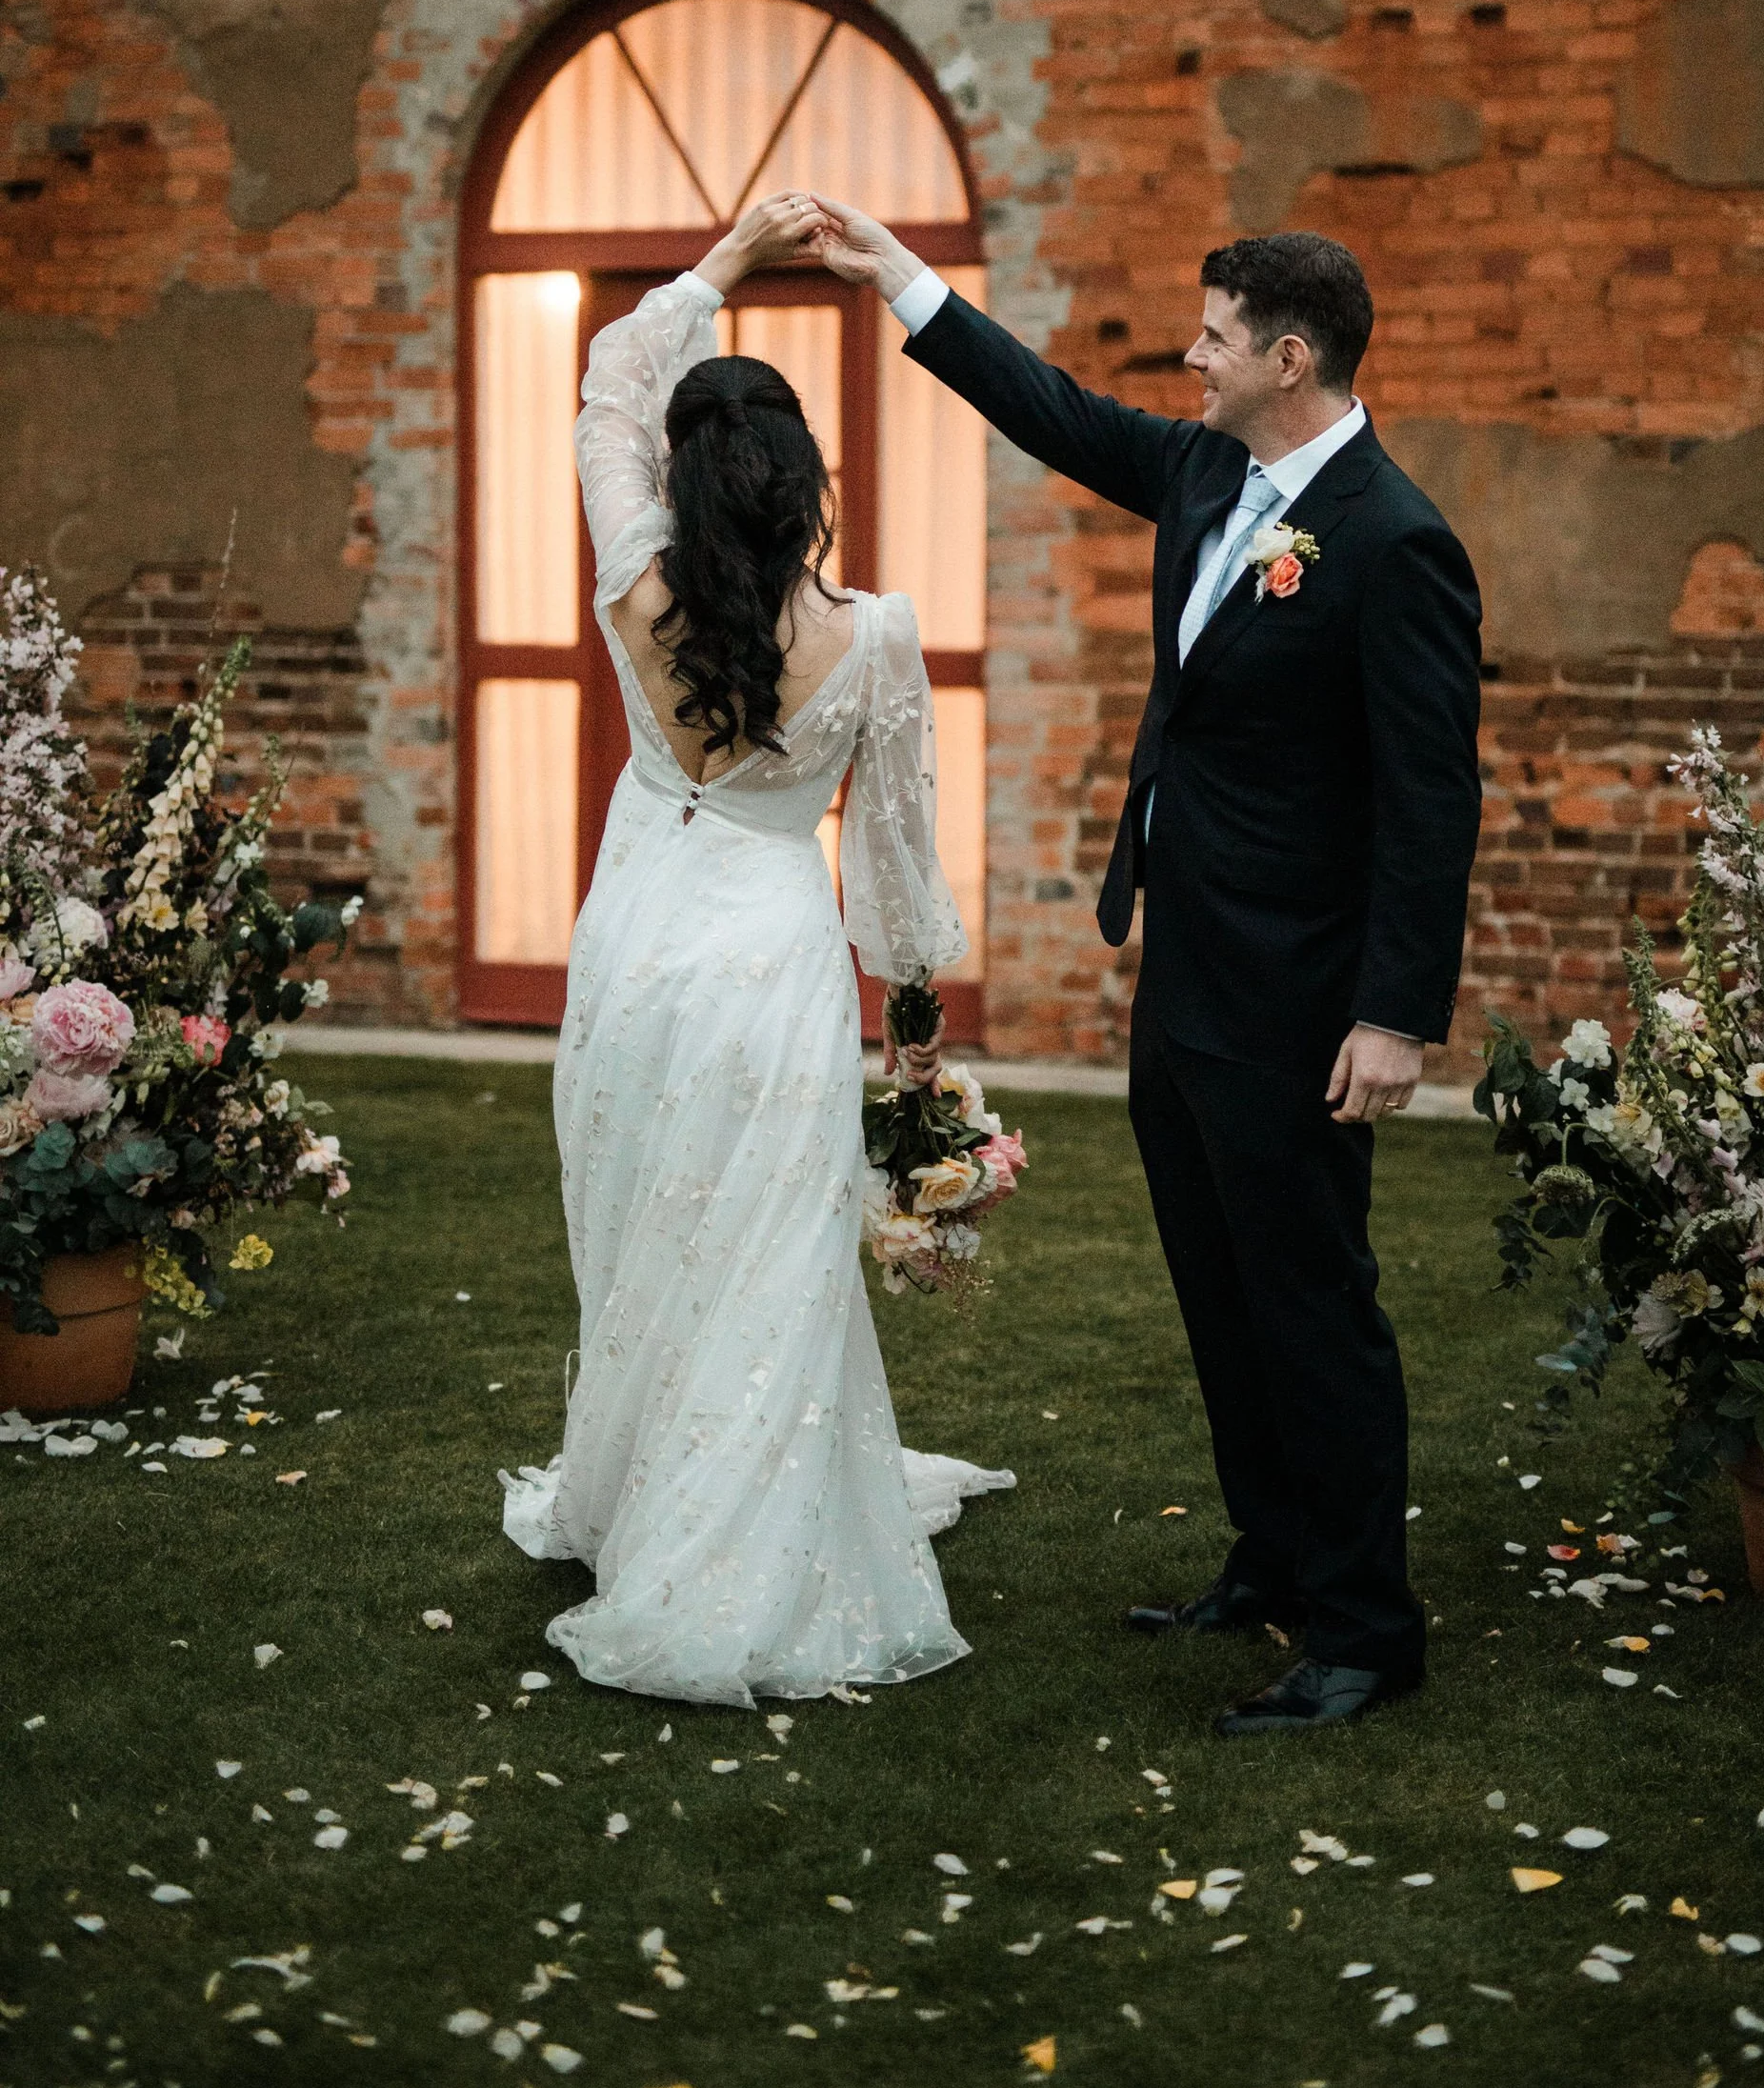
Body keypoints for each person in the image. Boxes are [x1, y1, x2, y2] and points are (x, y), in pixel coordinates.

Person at [816, 205, 1480, 1734]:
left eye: (1215, 336)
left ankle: (1366, 1626)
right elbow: (1050, 409)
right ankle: (1276, 1555)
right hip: (1183, 965)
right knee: (1219, 1283)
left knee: (1311, 1297)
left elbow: (1432, 797)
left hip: (1305, 994)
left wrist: (1395, 1011)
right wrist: (899, 282)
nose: (1190, 357)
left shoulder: (1394, 539)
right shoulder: (1203, 471)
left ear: (1290, 356)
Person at [500, 190, 1012, 1707]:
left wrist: (723, 261)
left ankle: (646, 1494)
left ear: (684, 483)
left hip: (642, 933)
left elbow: (608, 378)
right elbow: (898, 851)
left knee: (650, 1216)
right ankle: (735, 1517)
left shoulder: (633, 577)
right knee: (774, 1245)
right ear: (806, 490)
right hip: (775, 953)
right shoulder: (883, 636)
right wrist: (917, 1028)